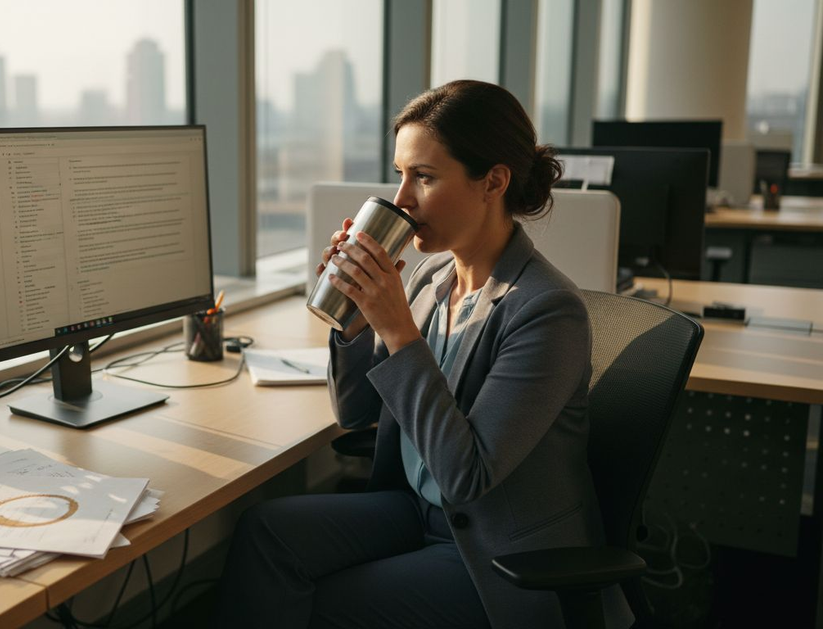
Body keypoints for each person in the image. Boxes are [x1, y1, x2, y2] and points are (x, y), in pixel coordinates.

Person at [214, 80, 633, 629]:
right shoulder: (432, 277)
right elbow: (355, 413)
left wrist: (400, 332)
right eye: (401, 174)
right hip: (419, 509)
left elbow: (467, 475)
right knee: (264, 531)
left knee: (328, 601)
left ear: (494, 182)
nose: (402, 198)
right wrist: (357, 324)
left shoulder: (546, 310)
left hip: (495, 551)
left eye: (425, 177)